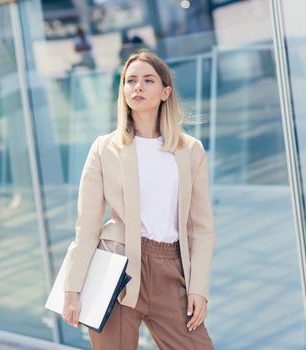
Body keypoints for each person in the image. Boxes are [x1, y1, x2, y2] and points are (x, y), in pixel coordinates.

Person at [62, 50, 215, 349]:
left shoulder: (190, 150)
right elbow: (87, 227)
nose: (138, 87)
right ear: (122, 90)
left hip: (171, 269)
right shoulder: (104, 148)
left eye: (148, 80)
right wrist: (72, 289)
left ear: (165, 92)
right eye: (130, 81)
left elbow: (202, 229)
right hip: (116, 269)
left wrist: (199, 289)